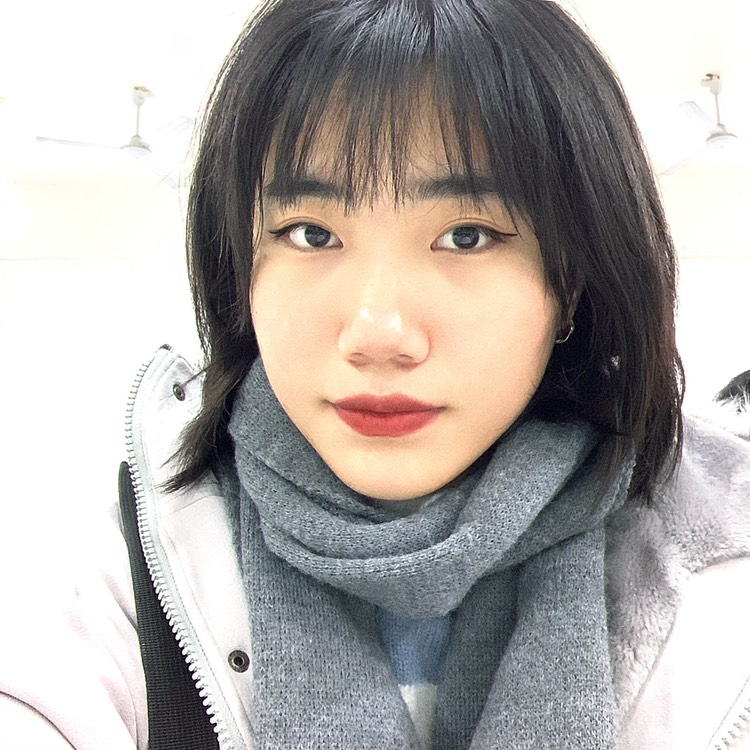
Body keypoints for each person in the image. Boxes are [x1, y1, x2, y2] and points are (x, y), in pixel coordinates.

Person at [2, 0, 750, 748]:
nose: (377, 335)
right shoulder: (117, 571)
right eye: (311, 234)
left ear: (575, 279)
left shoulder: (722, 574)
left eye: (467, 236)